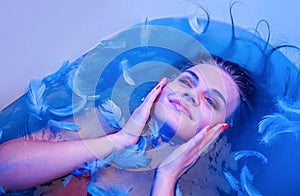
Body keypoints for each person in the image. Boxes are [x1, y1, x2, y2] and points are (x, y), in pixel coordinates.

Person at [0, 55, 254, 195]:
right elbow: (3, 172)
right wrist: (120, 140)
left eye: (210, 100)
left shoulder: (200, 188)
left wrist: (166, 178)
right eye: (187, 82)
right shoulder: (102, 122)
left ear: (218, 135)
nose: (191, 95)